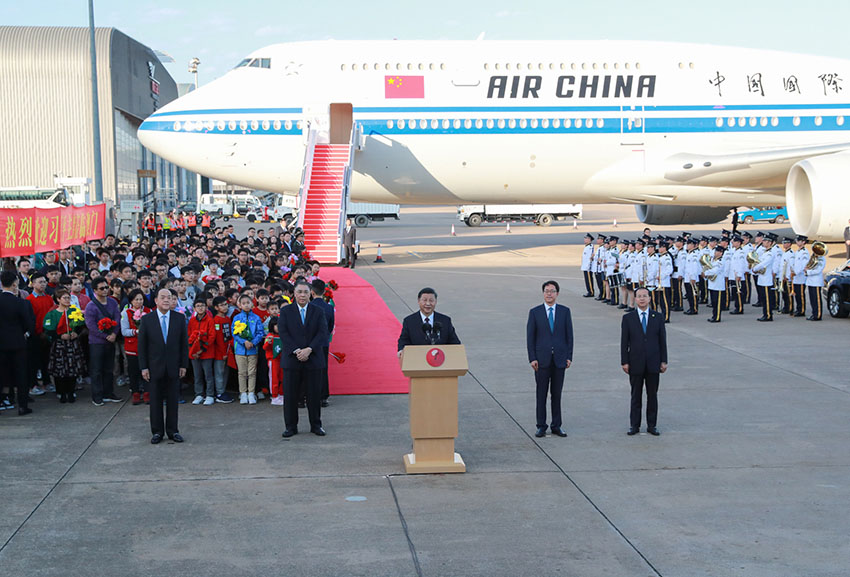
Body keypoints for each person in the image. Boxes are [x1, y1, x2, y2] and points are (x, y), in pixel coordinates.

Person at [278, 280, 329, 437]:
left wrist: (309, 349)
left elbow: (322, 333)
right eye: (299, 292)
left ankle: (316, 425)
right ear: (294, 293)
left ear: (310, 293)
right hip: (292, 359)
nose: (302, 295)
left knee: (314, 395)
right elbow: (283, 333)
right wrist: (297, 350)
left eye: (305, 292)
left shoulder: (318, 311)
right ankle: (291, 427)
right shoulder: (286, 312)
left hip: (313, 358)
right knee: (291, 395)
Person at [138, 288, 189, 444]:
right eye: (163, 297)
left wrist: (183, 365)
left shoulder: (179, 318)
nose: (167, 300)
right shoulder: (147, 319)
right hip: (154, 367)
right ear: (156, 301)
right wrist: (144, 367)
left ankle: (173, 431)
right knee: (155, 401)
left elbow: (183, 345)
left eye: (169, 297)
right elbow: (142, 346)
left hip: (174, 367)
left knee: (173, 401)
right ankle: (157, 432)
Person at [526, 280, 574, 438]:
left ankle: (556, 425)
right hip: (541, 361)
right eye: (546, 291)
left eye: (552, 291)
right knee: (541, 394)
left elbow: (569, 336)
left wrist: (569, 356)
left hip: (560, 359)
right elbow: (530, 337)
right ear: (543, 293)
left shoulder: (565, 311)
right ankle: (541, 425)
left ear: (557, 294)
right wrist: (532, 358)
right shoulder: (535, 312)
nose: (549, 294)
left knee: (557, 394)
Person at [621, 287, 668, 436]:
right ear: (635, 299)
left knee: (652, 395)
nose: (642, 299)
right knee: (636, 395)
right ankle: (634, 425)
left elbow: (662, 341)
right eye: (639, 296)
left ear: (649, 298)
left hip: (654, 362)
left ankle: (652, 425)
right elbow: (624, 342)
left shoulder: (658, 317)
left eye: (645, 296)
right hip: (635, 362)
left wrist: (664, 361)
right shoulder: (628, 318)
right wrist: (624, 361)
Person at [0, 271, 35, 415]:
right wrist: (25, 333)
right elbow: (29, 323)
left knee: (1, 374)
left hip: (1, 344)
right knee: (21, 374)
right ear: (14, 283)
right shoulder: (21, 303)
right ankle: (22, 405)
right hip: (18, 343)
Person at [43, 288, 86, 403]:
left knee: (72, 368)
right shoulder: (52, 313)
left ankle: (71, 391)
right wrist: (59, 336)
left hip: (72, 343)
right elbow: (48, 330)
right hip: (59, 344)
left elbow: (81, 325)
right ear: (58, 299)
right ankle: (61, 392)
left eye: (69, 298)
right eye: (65, 298)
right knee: (60, 369)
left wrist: (76, 333)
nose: (67, 300)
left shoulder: (74, 311)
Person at [85, 277, 123, 406]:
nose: (105, 290)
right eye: (102, 288)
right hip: (97, 342)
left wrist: (114, 333)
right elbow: (91, 326)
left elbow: (118, 318)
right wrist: (105, 336)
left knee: (109, 368)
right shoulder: (91, 306)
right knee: (96, 369)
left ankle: (109, 393)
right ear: (95, 290)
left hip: (111, 340)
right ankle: (97, 395)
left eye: (106, 287)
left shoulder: (112, 302)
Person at [397, 287, 461, 354]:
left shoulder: (445, 320)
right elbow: (403, 341)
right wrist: (401, 350)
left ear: (435, 301)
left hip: (440, 360)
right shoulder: (409, 321)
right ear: (419, 301)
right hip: (417, 359)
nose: (428, 304)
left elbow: (455, 343)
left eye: (431, 300)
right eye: (424, 300)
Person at [232, 294, 265, 404]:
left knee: (252, 372)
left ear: (252, 304)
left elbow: (260, 333)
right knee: (242, 372)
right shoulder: (237, 318)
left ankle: (251, 393)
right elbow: (234, 334)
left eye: (248, 303)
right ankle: (243, 393)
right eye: (243, 303)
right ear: (240, 305)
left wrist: (253, 342)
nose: (246, 305)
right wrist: (244, 342)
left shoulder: (256, 318)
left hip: (253, 349)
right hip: (240, 350)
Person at [310, 279, 334, 407]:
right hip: (324, 342)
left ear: (311, 292)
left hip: (310, 342)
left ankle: (310, 395)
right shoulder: (329, 308)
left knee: (310, 369)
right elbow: (330, 327)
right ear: (324, 292)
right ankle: (323, 396)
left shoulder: (308, 307)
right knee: (323, 368)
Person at [188, 299, 217, 405]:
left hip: (207, 352)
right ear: (194, 308)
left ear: (206, 307)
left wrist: (202, 349)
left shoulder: (210, 320)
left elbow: (212, 336)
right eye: (198, 306)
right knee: (197, 375)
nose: (200, 308)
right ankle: (199, 394)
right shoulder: (192, 321)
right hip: (194, 353)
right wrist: (194, 350)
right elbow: (189, 335)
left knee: (208, 375)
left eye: (202, 305)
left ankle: (210, 395)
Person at [580, 233, 595, 297]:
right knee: (586, 280)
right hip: (585, 266)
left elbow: (590, 258)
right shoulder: (587, 247)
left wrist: (588, 266)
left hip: (588, 267)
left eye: (586, 238)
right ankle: (589, 291)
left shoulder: (590, 247)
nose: (584, 240)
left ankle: (591, 291)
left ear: (589, 239)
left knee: (589, 280)